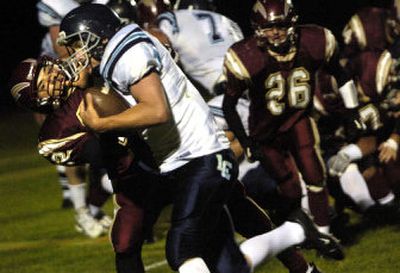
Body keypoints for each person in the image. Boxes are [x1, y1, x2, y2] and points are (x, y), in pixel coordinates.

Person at [57, 3, 343, 272]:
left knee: (180, 249)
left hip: (199, 157)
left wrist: (104, 124)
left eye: (78, 44)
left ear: (96, 34)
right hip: (186, 160)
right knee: (231, 259)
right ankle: (299, 244)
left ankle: (296, 230)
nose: (75, 54)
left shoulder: (127, 54)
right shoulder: (123, 50)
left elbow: (156, 111)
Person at [222, 0, 364, 236]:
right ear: (257, 29)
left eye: (280, 26)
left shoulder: (313, 41)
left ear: (293, 24)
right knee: (290, 189)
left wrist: (352, 112)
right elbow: (229, 106)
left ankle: (324, 234)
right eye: (268, 27)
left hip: (299, 118)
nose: (275, 33)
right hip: (264, 129)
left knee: (314, 175)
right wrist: (246, 141)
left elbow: (341, 75)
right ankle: (292, 225)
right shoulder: (246, 56)